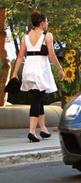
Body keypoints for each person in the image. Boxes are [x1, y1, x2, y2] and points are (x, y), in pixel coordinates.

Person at [11, 12, 65, 142]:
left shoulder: (26, 37)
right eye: (47, 22)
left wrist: (14, 73)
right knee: (36, 100)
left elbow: (19, 56)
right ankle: (31, 131)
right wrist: (60, 68)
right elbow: (51, 55)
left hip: (28, 68)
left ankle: (43, 129)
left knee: (38, 98)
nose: (47, 24)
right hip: (40, 69)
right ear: (42, 23)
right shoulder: (47, 36)